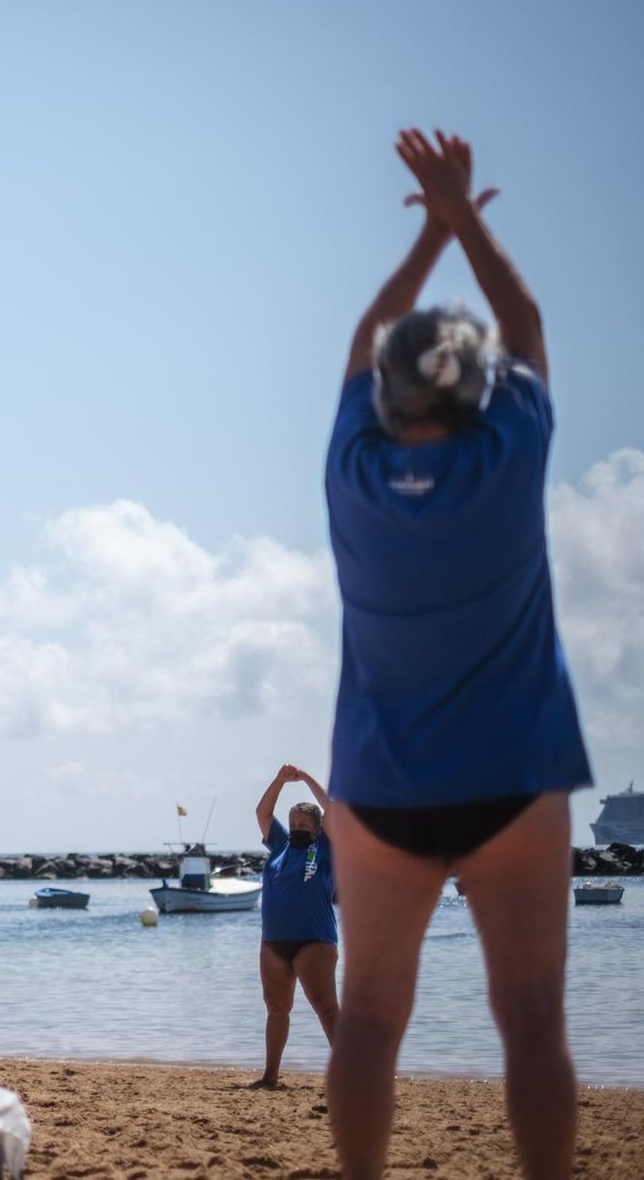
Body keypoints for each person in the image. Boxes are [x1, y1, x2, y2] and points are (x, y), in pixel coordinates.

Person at [323, 131, 591, 1180]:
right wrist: (465, 218)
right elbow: (521, 324)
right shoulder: (508, 449)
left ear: (385, 394)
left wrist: (429, 233)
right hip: (511, 777)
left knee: (367, 1020)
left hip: (377, 787)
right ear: (477, 393)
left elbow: (360, 334)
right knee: (530, 1022)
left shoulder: (349, 465)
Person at [251, 765, 338, 1088]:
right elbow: (262, 812)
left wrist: (306, 780)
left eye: (303, 824)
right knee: (276, 1008)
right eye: (293, 823)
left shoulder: (326, 846)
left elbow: (333, 809)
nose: (296, 827)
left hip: (314, 941)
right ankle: (270, 1076)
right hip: (273, 941)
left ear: (316, 828)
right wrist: (278, 781)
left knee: (327, 1009)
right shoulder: (280, 844)